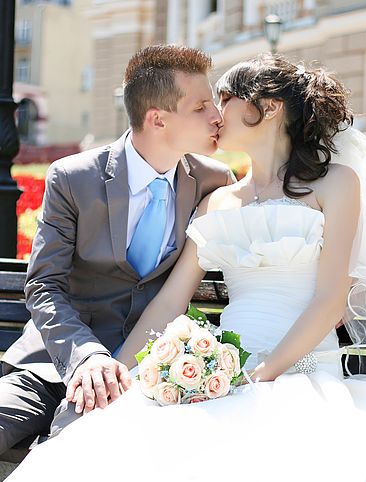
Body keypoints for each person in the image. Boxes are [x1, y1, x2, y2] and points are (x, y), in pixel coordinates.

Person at [0, 55, 366, 482]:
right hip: (209, 371)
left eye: (223, 99)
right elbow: (168, 302)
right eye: (204, 104)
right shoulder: (218, 196)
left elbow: (332, 301)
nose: (215, 112)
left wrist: (262, 374)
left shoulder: (336, 184)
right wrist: (119, 370)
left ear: (270, 108)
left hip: (295, 368)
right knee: (107, 451)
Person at [0, 44, 234, 457]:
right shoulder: (75, 178)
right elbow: (44, 285)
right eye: (201, 106)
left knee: (75, 448)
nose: (218, 116)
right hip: (50, 364)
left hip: (143, 373)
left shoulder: (213, 181)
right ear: (157, 118)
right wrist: (86, 356)